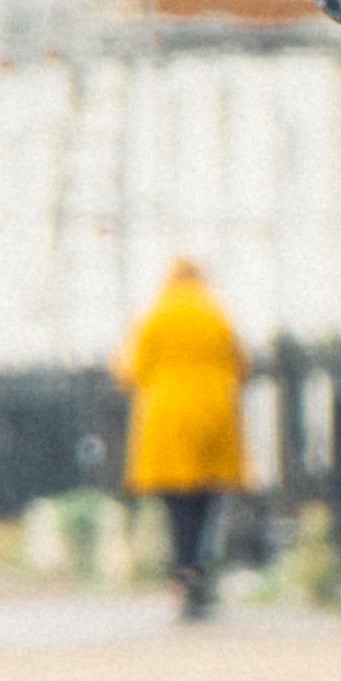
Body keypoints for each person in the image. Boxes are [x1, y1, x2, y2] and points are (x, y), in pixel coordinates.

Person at [118, 258, 254, 617]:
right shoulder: (216, 313)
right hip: (214, 412)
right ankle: (200, 566)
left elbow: (131, 370)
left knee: (176, 503)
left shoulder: (155, 315)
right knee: (208, 498)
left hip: (168, 416)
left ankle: (184, 573)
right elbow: (242, 365)